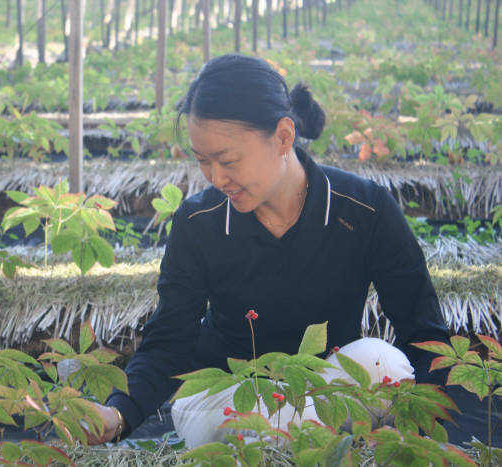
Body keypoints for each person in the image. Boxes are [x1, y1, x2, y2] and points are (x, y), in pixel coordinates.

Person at [86, 54, 449, 446]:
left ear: (283, 136)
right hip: (224, 399)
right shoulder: (198, 222)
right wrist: (117, 414)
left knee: (386, 364)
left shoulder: (363, 209)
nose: (216, 178)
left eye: (228, 160)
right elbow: (169, 340)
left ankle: (299, 437)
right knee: (245, 428)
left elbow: (425, 333)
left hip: (327, 390)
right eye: (203, 161)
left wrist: (417, 433)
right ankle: (315, 441)